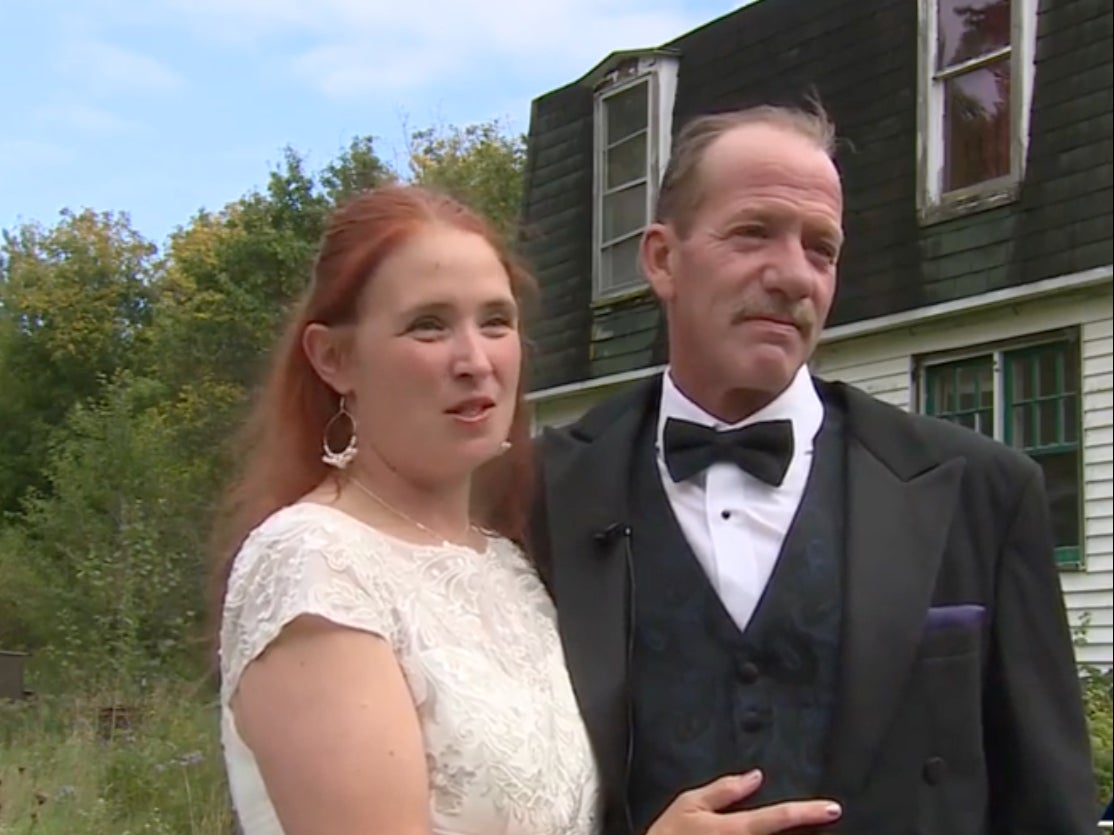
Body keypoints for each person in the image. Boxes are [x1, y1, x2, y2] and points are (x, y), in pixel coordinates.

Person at [529, 103, 1098, 834]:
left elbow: (1050, 806)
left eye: (821, 248)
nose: (794, 275)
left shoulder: (982, 491)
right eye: (753, 232)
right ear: (663, 260)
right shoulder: (541, 493)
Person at [211, 185, 602, 834]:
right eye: (429, 324)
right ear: (334, 358)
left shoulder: (507, 564)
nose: (476, 361)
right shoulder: (315, 567)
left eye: (496, 321)